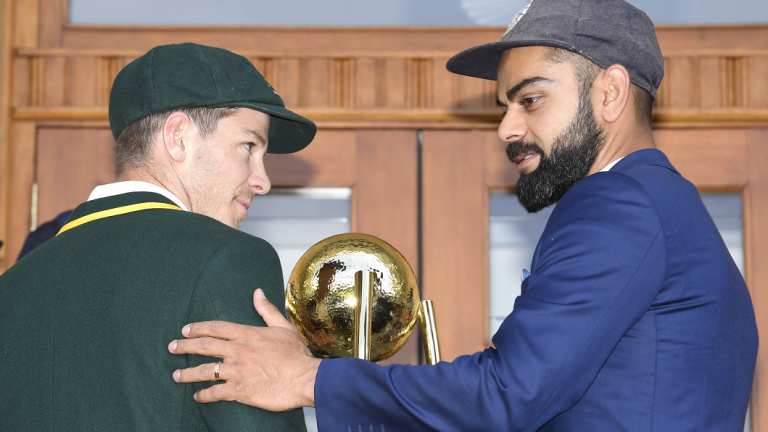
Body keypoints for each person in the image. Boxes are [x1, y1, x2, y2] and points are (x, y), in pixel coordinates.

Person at [168, 1, 758, 430]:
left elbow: (508, 395)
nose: (507, 128)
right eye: (506, 107)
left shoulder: (617, 204)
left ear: (609, 94)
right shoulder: (665, 207)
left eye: (531, 100)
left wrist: (307, 378)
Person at [0, 42, 315, 431]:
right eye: (248, 146)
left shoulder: (12, 287)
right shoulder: (227, 258)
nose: (262, 181)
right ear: (178, 137)